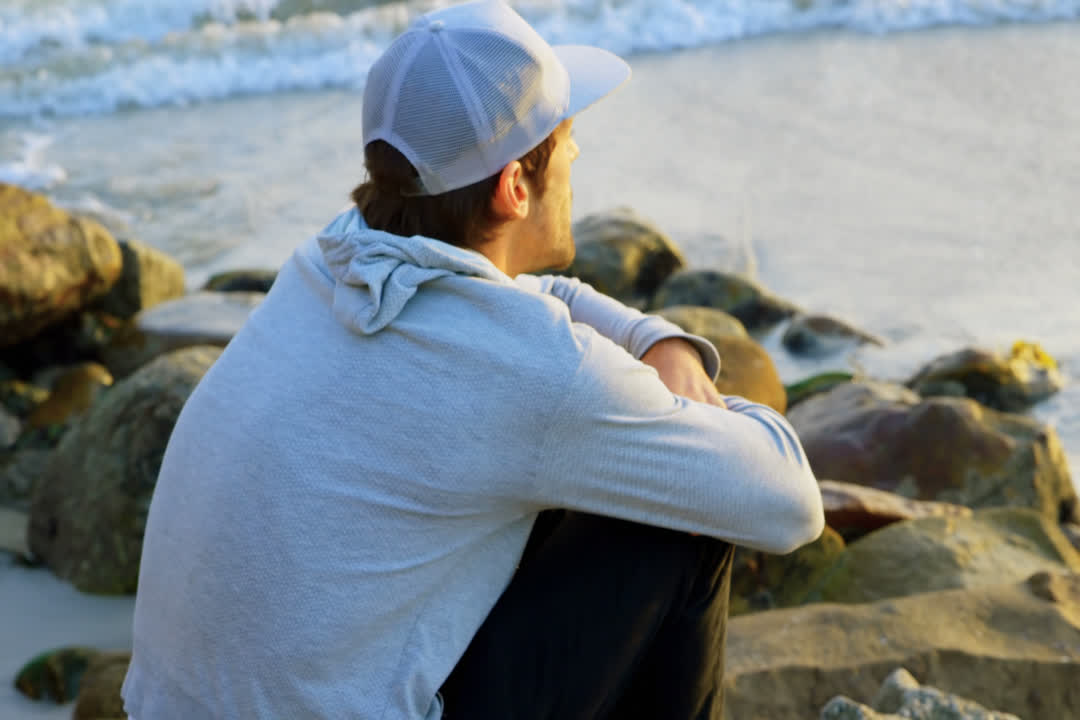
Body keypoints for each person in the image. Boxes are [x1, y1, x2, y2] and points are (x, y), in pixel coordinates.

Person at [122, 2, 824, 718]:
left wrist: (657, 341)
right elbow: (788, 502)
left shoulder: (328, 262)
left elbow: (526, 294)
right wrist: (693, 414)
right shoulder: (532, 367)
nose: (577, 157)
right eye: (567, 138)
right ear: (515, 187)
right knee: (683, 519)